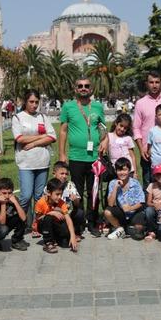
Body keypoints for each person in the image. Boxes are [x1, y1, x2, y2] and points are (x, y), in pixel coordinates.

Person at [58, 77, 105, 238]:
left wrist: (105, 141)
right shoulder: (68, 106)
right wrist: (62, 153)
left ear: (91, 89)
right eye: (80, 86)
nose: (83, 88)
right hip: (76, 157)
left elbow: (102, 128)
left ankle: (92, 222)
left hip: (94, 158)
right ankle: (78, 223)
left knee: (94, 192)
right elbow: (63, 131)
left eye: (86, 86)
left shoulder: (98, 106)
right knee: (76, 192)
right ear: (75, 89)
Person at [12, 89, 56, 231]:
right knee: (25, 196)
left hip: (42, 162)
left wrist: (33, 144)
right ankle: (22, 224)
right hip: (25, 163)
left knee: (39, 196)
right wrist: (41, 136)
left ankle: (37, 224)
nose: (34, 105)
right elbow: (19, 138)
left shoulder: (42, 117)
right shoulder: (18, 118)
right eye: (31, 102)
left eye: (36, 102)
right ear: (25, 101)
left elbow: (52, 137)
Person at [104, 157, 146, 240]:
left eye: (124, 170)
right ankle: (120, 228)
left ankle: (125, 229)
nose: (122, 173)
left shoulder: (135, 183)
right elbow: (110, 204)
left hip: (134, 212)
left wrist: (130, 208)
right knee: (107, 212)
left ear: (129, 171)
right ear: (116, 171)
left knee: (138, 235)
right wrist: (115, 188)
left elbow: (142, 202)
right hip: (121, 213)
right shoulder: (113, 183)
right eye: (119, 170)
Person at [34, 177, 79, 253]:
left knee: (66, 243)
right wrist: (51, 213)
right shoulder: (40, 202)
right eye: (57, 194)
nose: (59, 197)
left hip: (55, 225)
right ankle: (48, 242)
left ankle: (55, 238)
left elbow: (68, 219)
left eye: (61, 194)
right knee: (48, 218)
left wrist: (72, 236)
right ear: (49, 192)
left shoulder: (61, 203)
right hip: (42, 226)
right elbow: (38, 219)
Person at [0, 177, 29, 252]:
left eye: (9, 193)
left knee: (21, 217)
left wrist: (15, 202)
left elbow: (24, 218)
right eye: (4, 193)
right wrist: (3, 204)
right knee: (3, 229)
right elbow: (2, 222)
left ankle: (16, 240)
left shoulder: (13, 199)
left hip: (6, 222)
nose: (7, 196)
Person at [49, 161, 85, 238]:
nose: (64, 176)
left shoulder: (70, 184)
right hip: (56, 213)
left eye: (66, 174)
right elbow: (47, 204)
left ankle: (76, 232)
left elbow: (77, 203)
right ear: (54, 174)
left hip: (68, 213)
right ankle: (51, 235)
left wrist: (75, 200)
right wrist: (56, 210)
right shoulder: (50, 185)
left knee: (79, 213)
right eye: (62, 173)